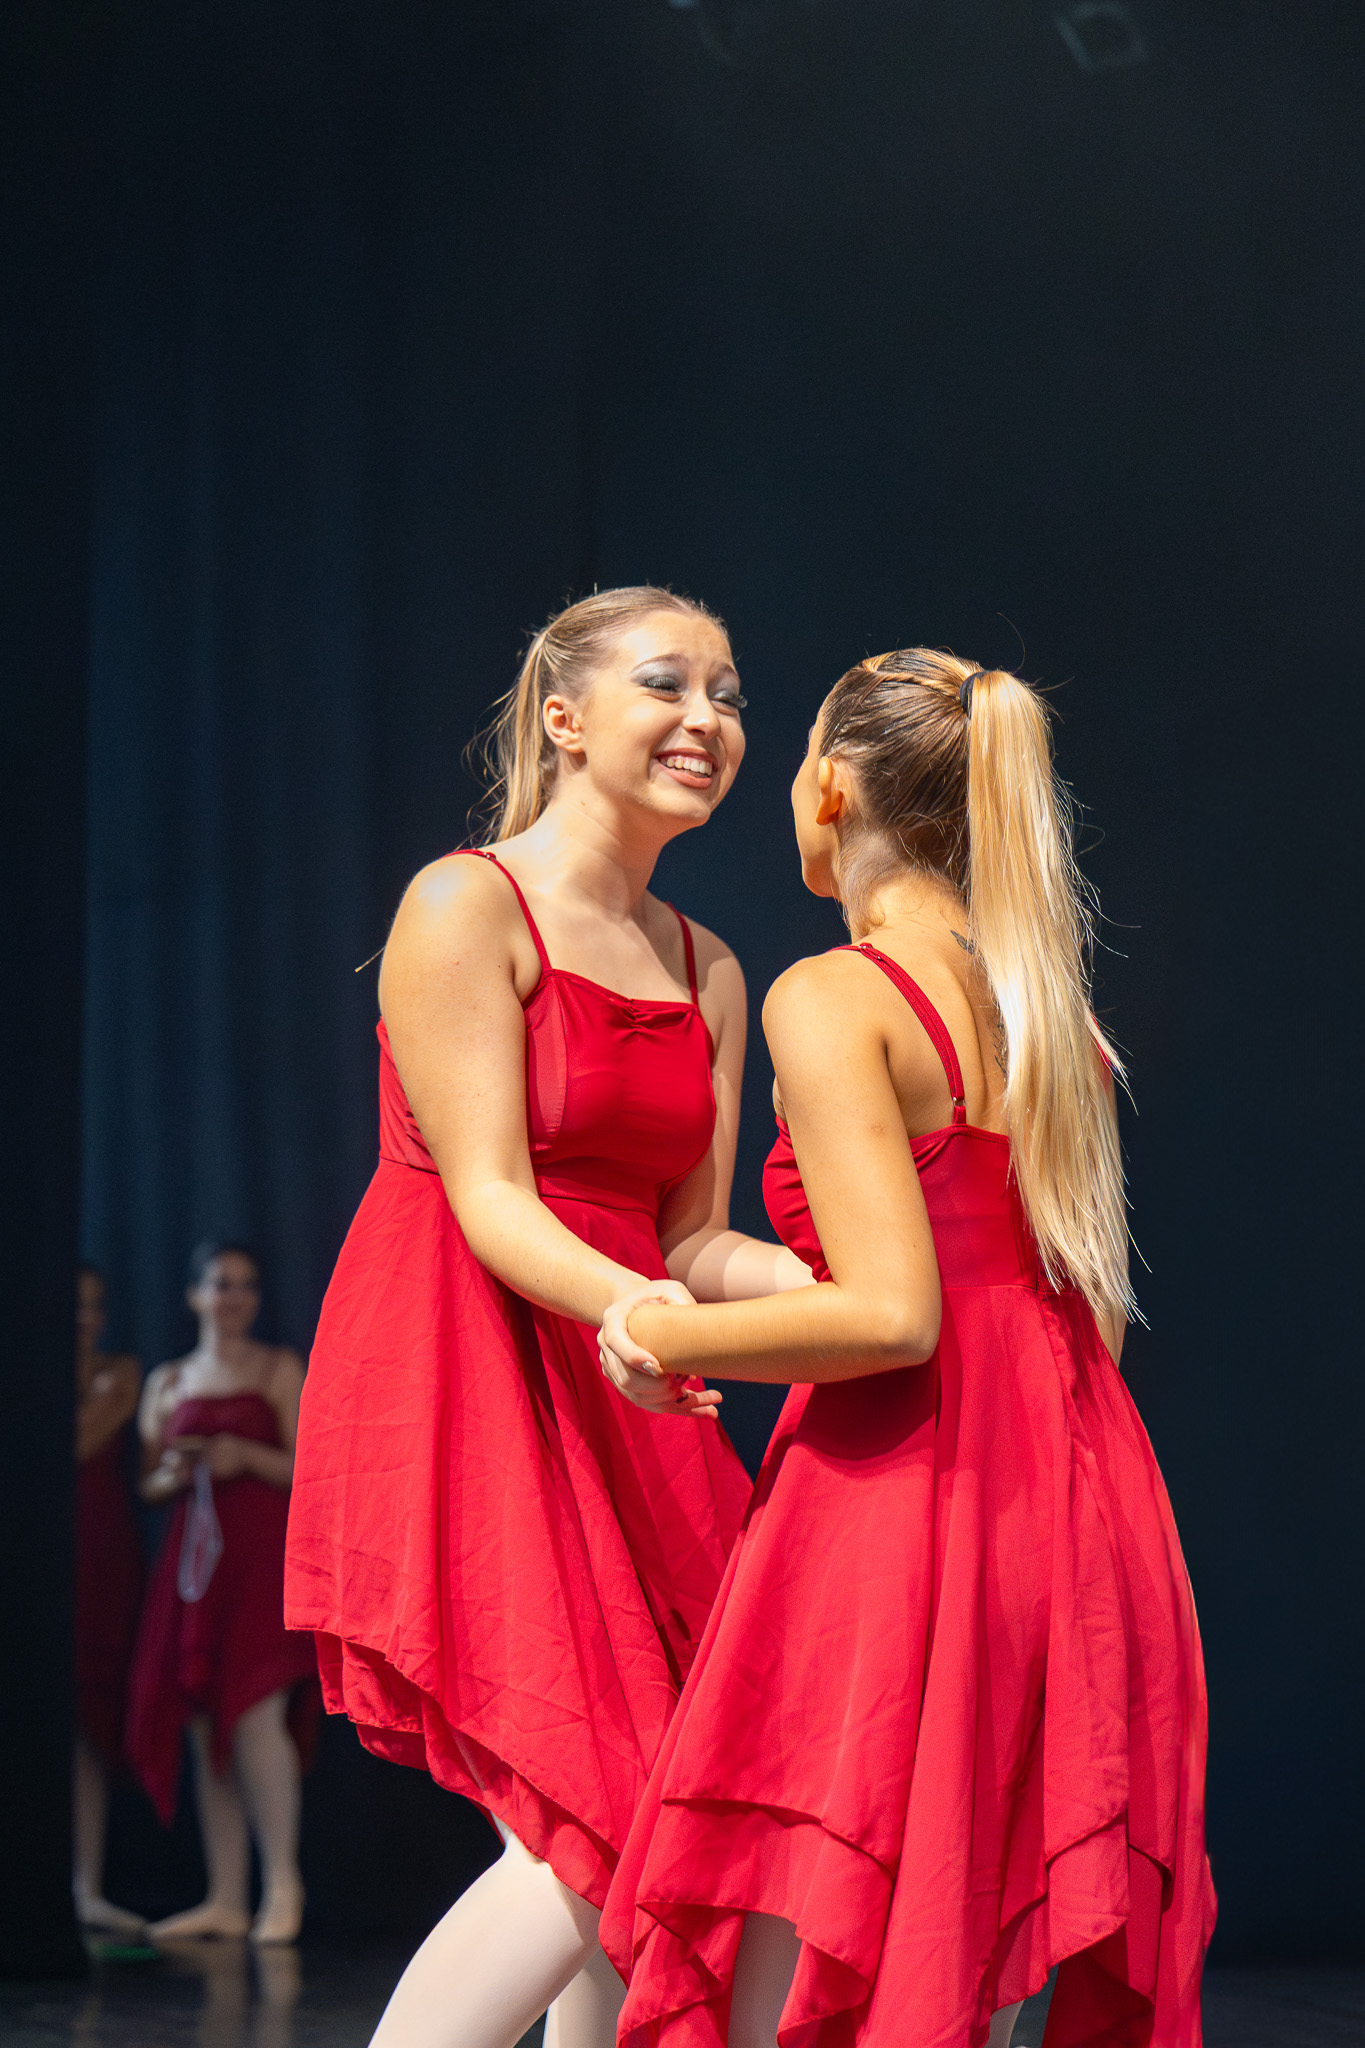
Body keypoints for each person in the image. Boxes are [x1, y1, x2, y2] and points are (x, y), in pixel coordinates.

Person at [598, 651, 1216, 2048]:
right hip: (1083, 1514)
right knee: (969, 1947)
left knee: (809, 1948)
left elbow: (891, 1315)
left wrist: (664, 1331)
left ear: (825, 790)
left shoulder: (835, 997)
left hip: (908, 1511)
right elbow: (1083, 1316)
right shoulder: (1050, 1016)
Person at [285, 587, 810, 2048]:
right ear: (564, 718)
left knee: (684, 1811)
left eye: (727, 690)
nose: (708, 719)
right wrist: (640, 1315)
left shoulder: (708, 965)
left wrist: (852, 1300)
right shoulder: (465, 903)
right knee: (610, 1804)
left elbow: (695, 1240)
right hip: (471, 1360)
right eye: (668, 684)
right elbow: (493, 1203)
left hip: (630, 1378)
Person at [126, 1243, 317, 1945]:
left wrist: (248, 1459)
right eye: (220, 1284)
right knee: (206, 1719)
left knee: (257, 1715)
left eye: (245, 1285)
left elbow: (307, 1468)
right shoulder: (168, 1381)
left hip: (259, 1563)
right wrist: (177, 1472)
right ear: (195, 1295)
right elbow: (147, 1484)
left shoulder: (276, 1369)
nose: (233, 1297)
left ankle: (283, 1886)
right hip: (194, 1567)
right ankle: (227, 1895)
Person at [73, 1263, 145, 1934]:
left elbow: (77, 1442)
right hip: (45, 1552)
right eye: (74, 1306)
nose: (84, 1318)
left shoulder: (119, 1373)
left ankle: (86, 1884)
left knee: (91, 1714)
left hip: (100, 1553)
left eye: (95, 1305)